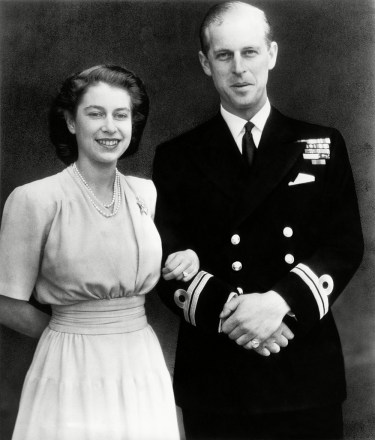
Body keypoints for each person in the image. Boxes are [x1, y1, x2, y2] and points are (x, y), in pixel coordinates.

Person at [153, 2, 364, 439]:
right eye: (224, 55)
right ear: (205, 63)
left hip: (302, 365)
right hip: (217, 372)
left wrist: (279, 304)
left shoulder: (322, 143)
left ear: (272, 54)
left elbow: (344, 245)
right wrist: (234, 313)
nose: (239, 69)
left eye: (250, 52)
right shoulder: (177, 157)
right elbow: (162, 258)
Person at [0, 64, 180, 439]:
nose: (109, 127)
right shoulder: (35, 199)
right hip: (70, 365)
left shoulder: (145, 194)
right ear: (70, 121)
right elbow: (7, 303)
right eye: (95, 113)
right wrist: (68, 334)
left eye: (121, 114)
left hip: (140, 362)